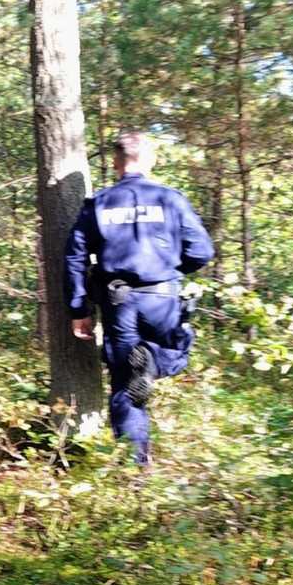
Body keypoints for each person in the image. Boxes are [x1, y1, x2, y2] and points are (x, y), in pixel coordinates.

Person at [64, 133, 214, 464]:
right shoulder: (170, 199)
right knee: (176, 354)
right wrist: (168, 268)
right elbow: (201, 251)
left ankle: (135, 470)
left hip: (119, 304)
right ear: (151, 160)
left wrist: (79, 310)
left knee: (124, 384)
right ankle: (154, 360)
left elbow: (74, 258)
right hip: (162, 297)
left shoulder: (98, 204)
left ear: (115, 163)